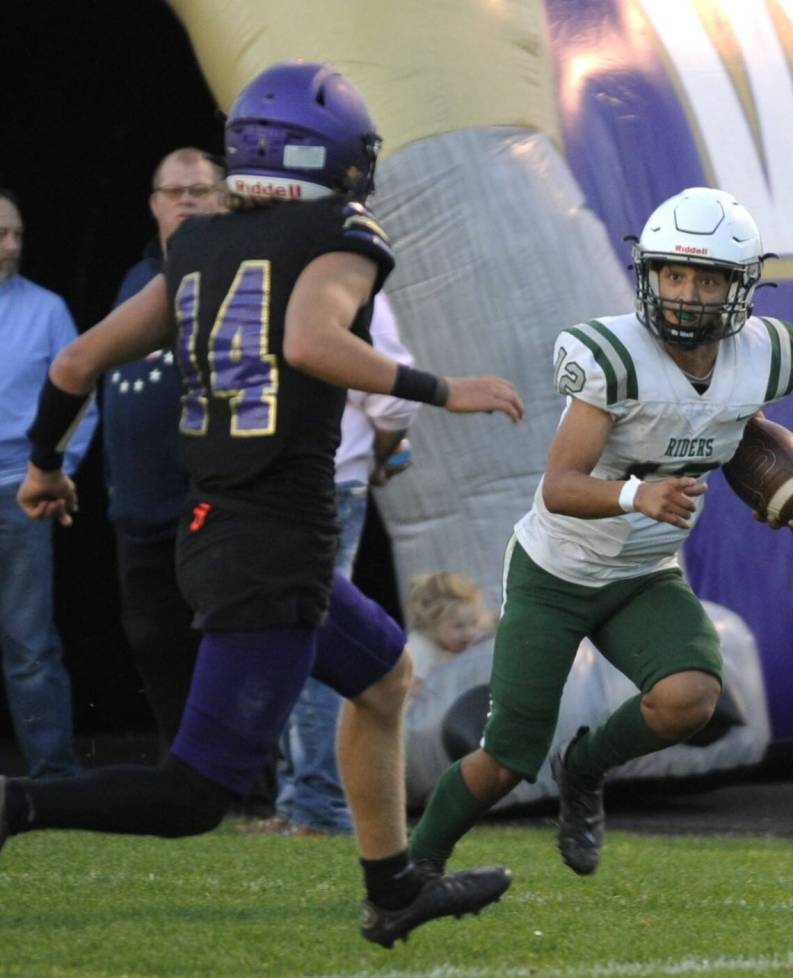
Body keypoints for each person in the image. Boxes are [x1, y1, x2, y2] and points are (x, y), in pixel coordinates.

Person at [2, 61, 523, 948]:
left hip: (231, 531)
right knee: (193, 794)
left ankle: (392, 885)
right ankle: (15, 805)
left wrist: (48, 464)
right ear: (333, 156)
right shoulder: (339, 231)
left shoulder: (197, 244)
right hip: (270, 542)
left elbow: (74, 366)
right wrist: (443, 388)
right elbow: (312, 340)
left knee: (384, 676)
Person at [409, 186, 793, 879]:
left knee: (691, 698)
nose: (685, 293)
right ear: (649, 275)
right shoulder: (614, 355)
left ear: (739, 287)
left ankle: (586, 768)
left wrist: (775, 489)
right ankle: (408, 876)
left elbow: (728, 418)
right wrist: (638, 492)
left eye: (706, 278)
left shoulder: (766, 356)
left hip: (641, 574)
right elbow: (560, 487)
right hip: (558, 573)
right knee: (506, 761)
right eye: (672, 273)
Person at [272, 292, 419, 837]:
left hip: (322, 486)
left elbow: (394, 397)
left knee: (314, 642)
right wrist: (381, 454)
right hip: (308, 486)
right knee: (295, 639)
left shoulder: (348, 286)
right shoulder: (335, 279)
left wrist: (378, 454)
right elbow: (392, 402)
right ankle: (301, 799)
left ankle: (315, 803)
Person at [102, 148, 226, 759]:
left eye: (199, 190)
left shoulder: (239, 277)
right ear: (153, 204)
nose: (185, 200)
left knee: (221, 643)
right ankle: (179, 765)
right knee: (153, 641)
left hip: (205, 505)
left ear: (226, 200)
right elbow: (102, 377)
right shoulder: (135, 279)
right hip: (138, 510)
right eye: (174, 192)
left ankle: (239, 776)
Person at [0, 188, 98, 781]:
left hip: (19, 490)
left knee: (29, 645)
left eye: (16, 234)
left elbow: (82, 398)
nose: (11, 246)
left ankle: (54, 781)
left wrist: (56, 473)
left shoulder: (46, 308)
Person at [405, 571, 496, 699]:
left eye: (473, 622)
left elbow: (489, 621)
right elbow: (405, 693)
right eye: (458, 626)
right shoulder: (419, 651)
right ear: (432, 622)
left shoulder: (459, 628)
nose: (470, 632)